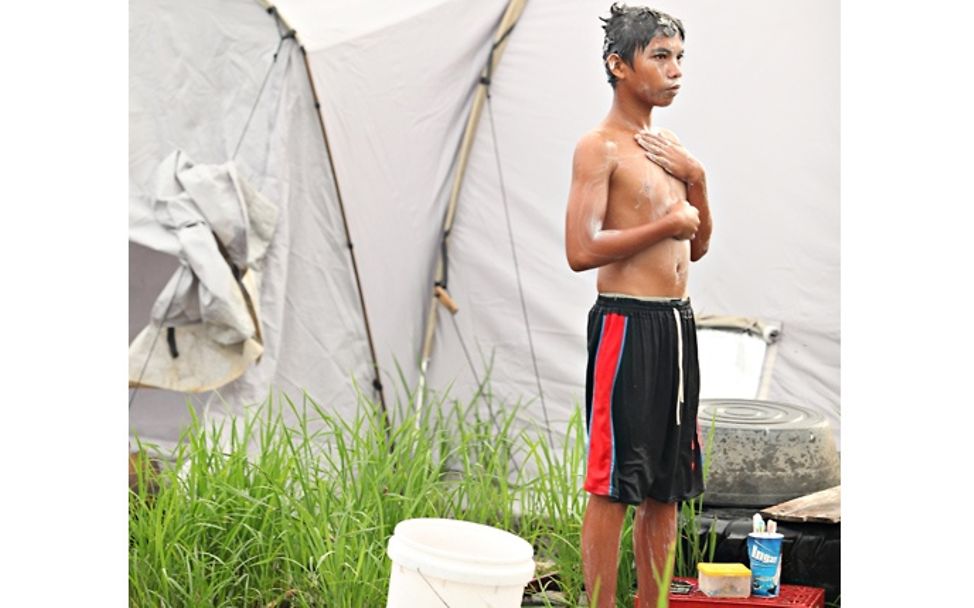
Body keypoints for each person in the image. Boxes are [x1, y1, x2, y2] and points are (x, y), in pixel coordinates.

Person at [564, 4, 713, 607]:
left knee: (666, 488)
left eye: (680, 57)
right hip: (627, 324)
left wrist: (697, 178)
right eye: (661, 57)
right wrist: (667, 223)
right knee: (613, 484)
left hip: (677, 324)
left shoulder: (671, 147)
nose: (676, 71)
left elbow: (697, 245)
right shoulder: (598, 147)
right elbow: (580, 250)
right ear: (618, 64)